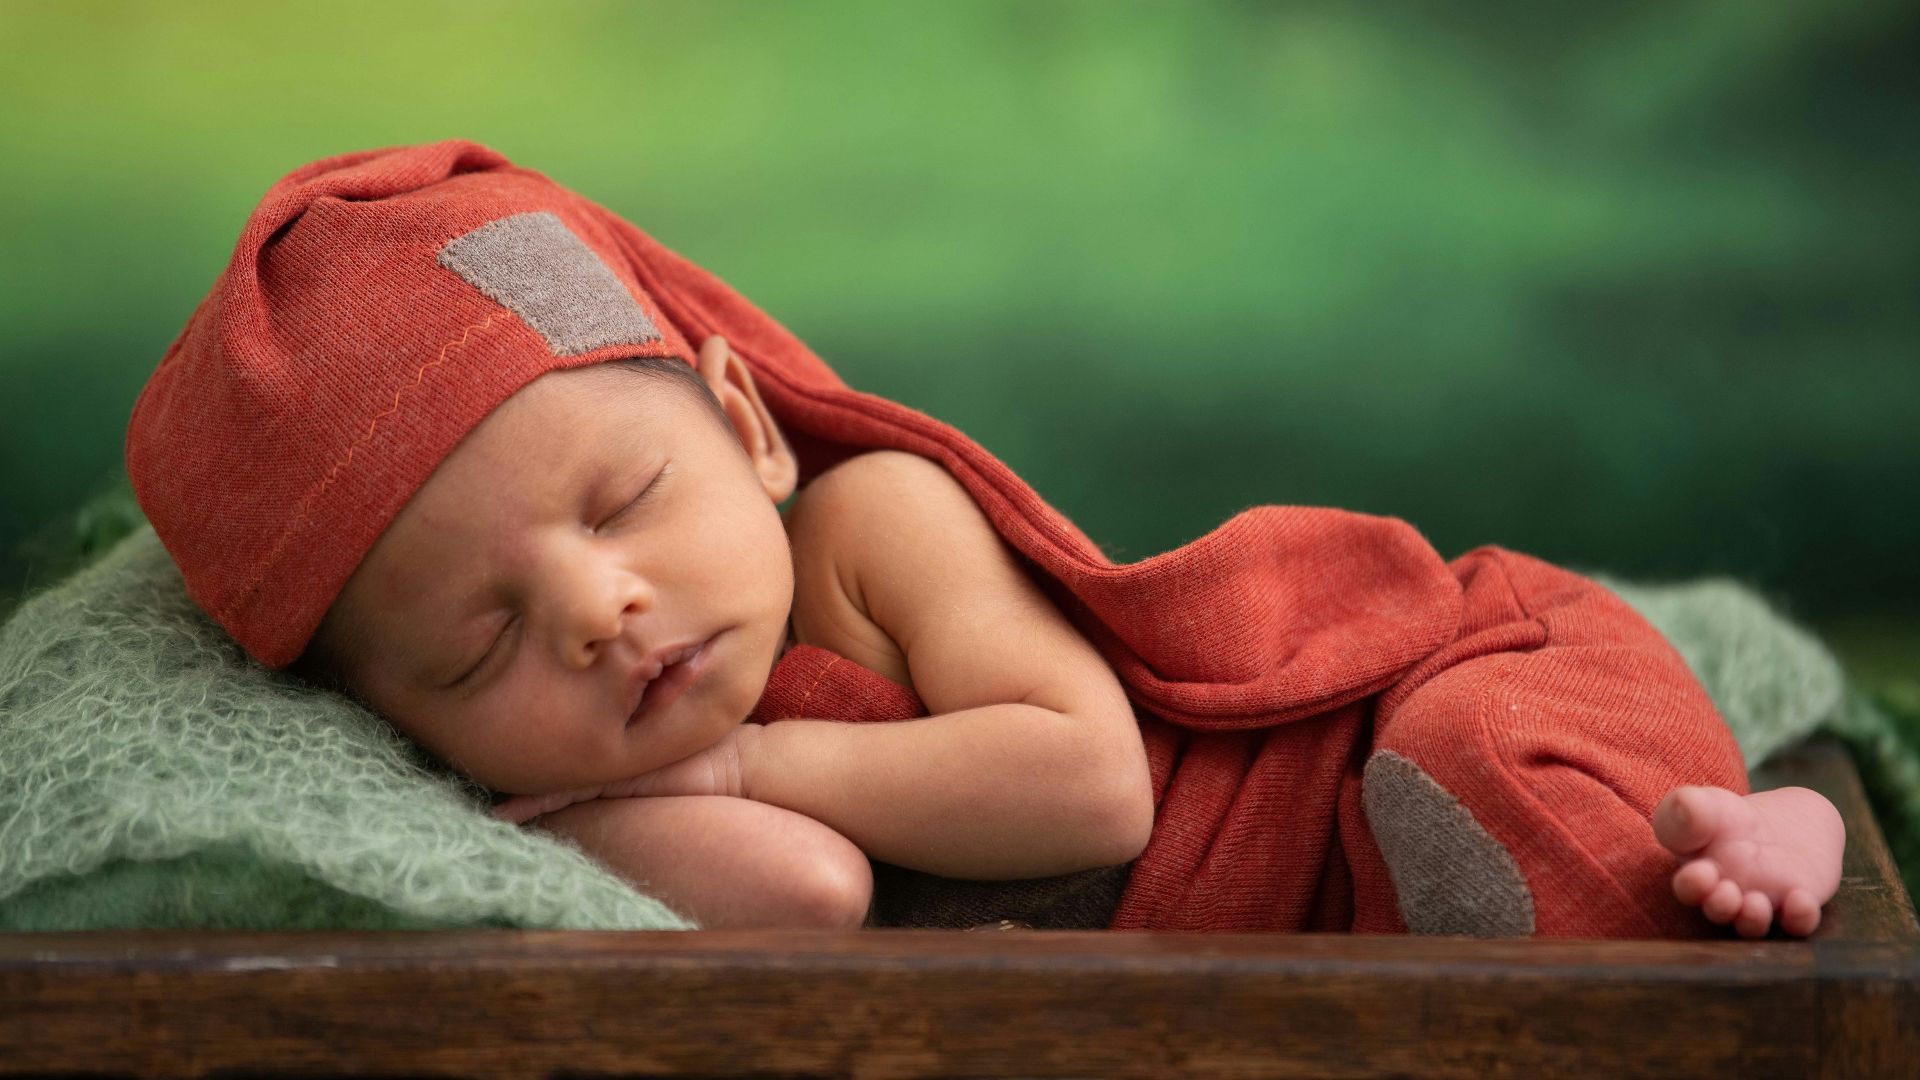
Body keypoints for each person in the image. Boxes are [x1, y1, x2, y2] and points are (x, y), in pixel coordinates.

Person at [126, 140, 1845, 937]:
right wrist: (671, 820)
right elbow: (804, 897)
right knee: (1461, 926)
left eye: (623, 503)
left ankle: (1743, 829)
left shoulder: (875, 532)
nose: (597, 610)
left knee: (1474, 791)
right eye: (475, 647)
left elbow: (1093, 791)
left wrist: (738, 775)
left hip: (1409, 699)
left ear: (740, 426)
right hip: (1327, 928)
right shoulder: (581, 790)